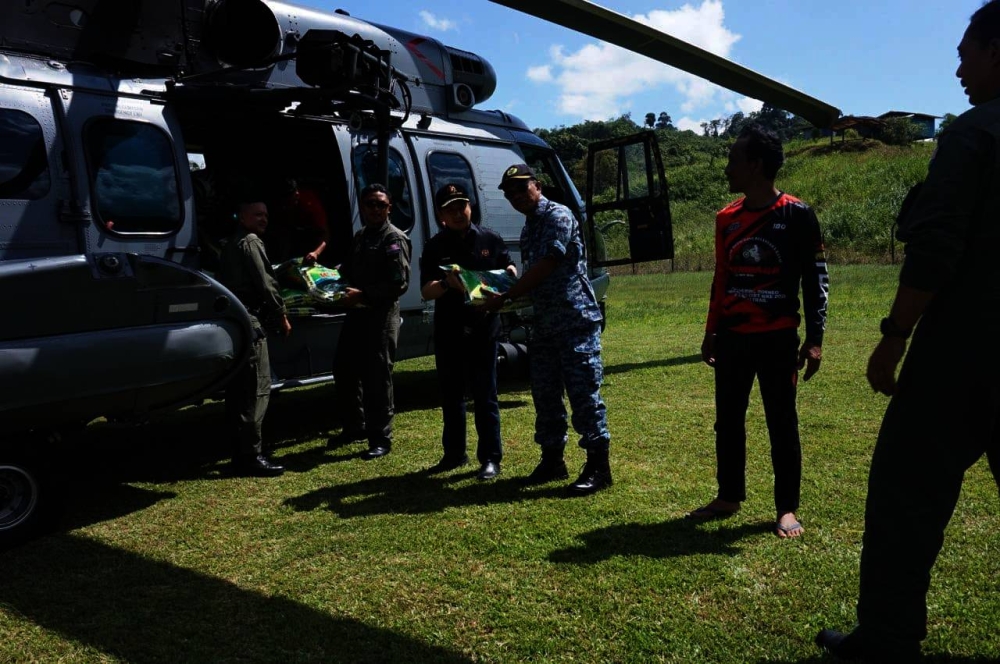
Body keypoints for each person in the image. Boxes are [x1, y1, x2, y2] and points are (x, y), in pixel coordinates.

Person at [817, 3, 1000, 660]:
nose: (958, 71)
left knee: (907, 490)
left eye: (965, 54)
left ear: (996, 51)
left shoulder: (976, 133)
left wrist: (894, 334)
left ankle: (889, 638)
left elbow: (936, 248)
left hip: (965, 354)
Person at [689, 124, 828, 538]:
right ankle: (729, 495)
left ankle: (786, 508)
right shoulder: (726, 219)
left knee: (782, 422)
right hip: (733, 337)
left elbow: (815, 280)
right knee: (728, 420)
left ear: (755, 165)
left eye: (733, 160)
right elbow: (721, 279)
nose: (727, 168)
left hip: (778, 338)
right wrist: (711, 331)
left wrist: (815, 339)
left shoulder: (797, 215)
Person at [485, 164, 611, 495]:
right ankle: (552, 460)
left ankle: (599, 467)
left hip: (574, 321)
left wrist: (509, 295)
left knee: (584, 395)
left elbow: (548, 264)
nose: (516, 196)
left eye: (521, 188)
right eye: (509, 193)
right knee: (545, 395)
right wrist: (505, 290)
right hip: (544, 324)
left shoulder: (559, 216)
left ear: (537, 185)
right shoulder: (529, 227)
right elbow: (533, 275)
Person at [419, 183, 517, 481]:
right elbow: (426, 291)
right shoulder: (434, 246)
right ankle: (454, 454)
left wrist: (508, 275)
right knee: (452, 396)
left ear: (470, 207)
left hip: (483, 329)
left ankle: (490, 458)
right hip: (449, 330)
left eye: (461, 206)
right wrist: (446, 283)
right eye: (450, 209)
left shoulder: (490, 239)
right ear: (440, 215)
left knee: (485, 396)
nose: (457, 213)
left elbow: (510, 268)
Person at [329, 183, 411, 459]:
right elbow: (350, 268)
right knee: (344, 369)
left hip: (380, 317)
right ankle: (355, 427)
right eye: (370, 204)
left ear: (389, 208)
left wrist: (363, 294)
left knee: (377, 377)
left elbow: (399, 283)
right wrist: (327, 276)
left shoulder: (393, 238)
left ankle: (380, 438)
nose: (375, 209)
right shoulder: (361, 236)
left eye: (381, 205)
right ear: (362, 207)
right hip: (356, 314)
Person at [216, 198, 291, 477]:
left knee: (238, 392)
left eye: (266, 215)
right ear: (242, 217)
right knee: (256, 389)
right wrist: (281, 314)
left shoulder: (231, 243)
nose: (263, 219)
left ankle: (241, 452)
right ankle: (251, 456)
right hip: (251, 321)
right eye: (257, 214)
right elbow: (266, 283)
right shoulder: (251, 242)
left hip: (237, 321)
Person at [270, 178, 329, 266]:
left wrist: (316, 253)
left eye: (290, 201)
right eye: (285, 203)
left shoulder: (311, 204)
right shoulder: (282, 204)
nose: (287, 205)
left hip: (314, 239)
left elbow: (326, 234)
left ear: (296, 195)